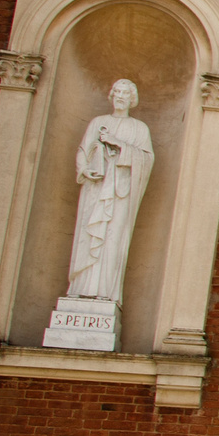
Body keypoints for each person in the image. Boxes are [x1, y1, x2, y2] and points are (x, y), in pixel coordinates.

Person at [65, 78, 155, 304]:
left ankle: (106, 293)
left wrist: (118, 144)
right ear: (111, 95)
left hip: (120, 193)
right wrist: (85, 169)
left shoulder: (139, 128)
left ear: (132, 99)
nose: (120, 96)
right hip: (95, 189)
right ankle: (80, 288)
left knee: (113, 241)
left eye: (125, 93)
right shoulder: (98, 122)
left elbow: (147, 159)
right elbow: (83, 150)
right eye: (117, 92)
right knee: (89, 234)